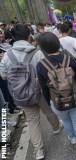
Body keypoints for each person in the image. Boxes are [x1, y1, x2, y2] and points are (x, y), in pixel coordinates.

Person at [0, 24, 63, 160]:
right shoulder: (37, 52)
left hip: (20, 94)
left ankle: (39, 151)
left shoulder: (7, 56)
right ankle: (56, 127)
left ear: (13, 38)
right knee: (48, 110)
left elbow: (4, 76)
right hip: (39, 90)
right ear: (29, 36)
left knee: (33, 121)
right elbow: (46, 72)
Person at [37, 32, 76, 160]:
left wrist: (49, 101)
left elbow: (44, 88)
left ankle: (72, 138)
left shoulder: (41, 65)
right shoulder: (69, 59)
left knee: (66, 120)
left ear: (42, 48)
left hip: (57, 102)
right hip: (75, 97)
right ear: (58, 43)